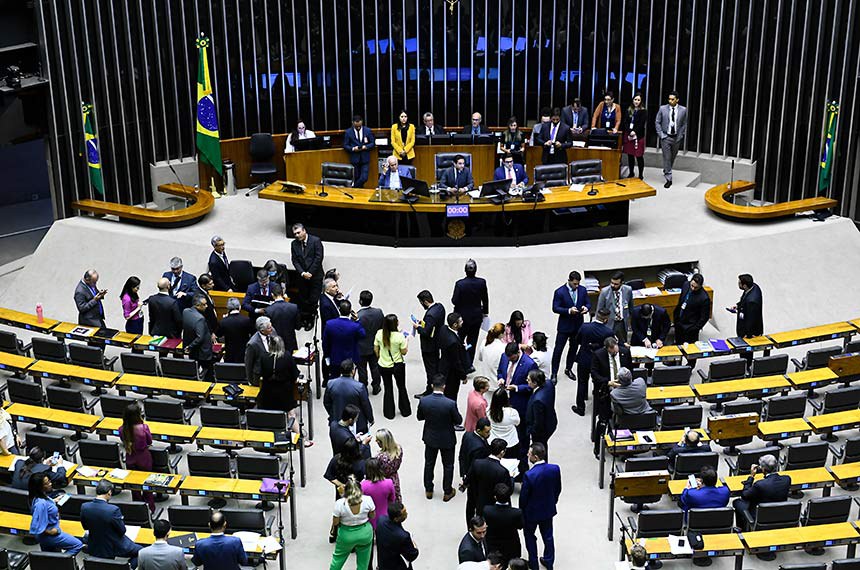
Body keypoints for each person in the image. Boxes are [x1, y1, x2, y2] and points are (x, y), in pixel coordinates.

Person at [417, 374, 462, 501]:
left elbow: (419, 417)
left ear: (432, 386)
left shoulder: (424, 401)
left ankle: (428, 489)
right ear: (444, 386)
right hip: (447, 439)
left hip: (430, 437)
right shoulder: (450, 403)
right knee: (448, 465)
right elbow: (458, 420)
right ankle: (447, 491)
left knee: (429, 464)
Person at [80, 480, 143, 567]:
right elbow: (122, 530)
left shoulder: (85, 507)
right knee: (141, 552)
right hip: (114, 544)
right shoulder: (113, 510)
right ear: (109, 492)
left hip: (95, 543)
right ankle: (128, 567)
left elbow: (85, 526)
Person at [520, 442, 561, 570]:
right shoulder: (555, 469)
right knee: (548, 536)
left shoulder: (529, 475)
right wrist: (552, 502)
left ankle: (533, 563)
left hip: (531, 513)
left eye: (529, 454)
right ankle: (549, 562)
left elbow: (524, 497)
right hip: (547, 510)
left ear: (535, 457)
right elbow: (558, 489)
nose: (528, 455)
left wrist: (522, 511)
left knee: (530, 536)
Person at [497, 342, 537, 460]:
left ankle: (522, 456)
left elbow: (532, 385)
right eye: (508, 358)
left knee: (522, 431)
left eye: (512, 358)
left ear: (518, 353)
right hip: (505, 399)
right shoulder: (504, 357)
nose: (509, 360)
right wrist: (501, 378)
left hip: (520, 402)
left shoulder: (530, 364)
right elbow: (500, 371)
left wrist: (517, 388)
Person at [570, 309, 614, 416]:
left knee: (582, 382)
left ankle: (580, 408)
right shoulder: (608, 332)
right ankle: (597, 408)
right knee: (598, 384)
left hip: (584, 358)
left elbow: (578, 340)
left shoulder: (585, 327)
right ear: (606, 319)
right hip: (599, 361)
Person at [733, 454, 791, 532]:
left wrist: (751, 477)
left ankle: (742, 530)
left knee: (737, 502)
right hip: (780, 514)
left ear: (763, 469)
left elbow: (744, 495)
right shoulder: (787, 479)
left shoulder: (760, 485)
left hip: (761, 516)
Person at [28, 472, 83, 554]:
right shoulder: (40, 503)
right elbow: (35, 526)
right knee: (77, 545)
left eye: (49, 481)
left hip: (47, 534)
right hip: (49, 535)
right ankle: (63, 560)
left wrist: (54, 501)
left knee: (51, 555)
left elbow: (46, 506)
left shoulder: (40, 496)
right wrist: (50, 531)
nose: (50, 484)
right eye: (46, 483)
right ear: (39, 487)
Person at [551, 270, 590, 383]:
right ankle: (554, 373)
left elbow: (588, 303)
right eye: (574, 284)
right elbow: (555, 308)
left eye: (578, 284)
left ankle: (568, 368)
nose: (576, 286)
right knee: (558, 350)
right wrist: (568, 311)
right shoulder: (559, 292)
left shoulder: (582, 290)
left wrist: (586, 308)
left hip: (577, 325)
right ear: (569, 281)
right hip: (564, 326)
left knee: (573, 349)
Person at [329, 476, 375, 569]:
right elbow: (372, 516)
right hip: (365, 533)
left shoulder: (340, 503)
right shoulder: (368, 500)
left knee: (338, 558)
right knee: (363, 563)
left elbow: (335, 522)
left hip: (346, 535)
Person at [256, 334, 302, 424]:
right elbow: (295, 374)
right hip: (284, 394)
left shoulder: (264, 357)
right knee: (291, 415)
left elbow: (260, 373)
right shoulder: (287, 356)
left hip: (267, 393)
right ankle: (297, 432)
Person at [453, 259, 489, 366]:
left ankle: (460, 361)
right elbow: (485, 299)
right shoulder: (481, 282)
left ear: (465, 270)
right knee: (472, 342)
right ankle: (468, 364)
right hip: (476, 318)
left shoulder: (460, 284)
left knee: (459, 340)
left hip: (462, 319)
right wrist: (485, 312)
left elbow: (454, 301)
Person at [467, 439, 513, 523]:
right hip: (493, 506)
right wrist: (511, 478)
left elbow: (469, 479)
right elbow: (508, 490)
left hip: (478, 502)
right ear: (502, 452)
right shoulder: (502, 471)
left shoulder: (476, 463)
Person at [374, 314, 411, 419]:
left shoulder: (379, 333)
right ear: (396, 323)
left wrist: (380, 358)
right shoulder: (400, 336)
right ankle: (405, 410)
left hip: (383, 365)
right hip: (397, 365)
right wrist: (407, 341)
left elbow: (376, 349)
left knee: (388, 388)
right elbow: (404, 352)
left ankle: (389, 413)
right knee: (401, 387)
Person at [326, 360, 374, 436]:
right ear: (352, 371)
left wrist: (334, 413)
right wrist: (371, 419)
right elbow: (366, 405)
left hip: (338, 420)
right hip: (357, 423)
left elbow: (327, 403)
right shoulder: (359, 387)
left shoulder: (330, 384)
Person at [290, 223, 325, 329]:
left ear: (304, 231)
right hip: (302, 277)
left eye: (298, 232)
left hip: (315, 276)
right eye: (295, 234)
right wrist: (302, 273)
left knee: (313, 299)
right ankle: (304, 318)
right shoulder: (294, 244)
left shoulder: (316, 241)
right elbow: (295, 260)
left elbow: (318, 258)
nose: (297, 235)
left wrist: (310, 272)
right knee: (303, 298)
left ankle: (311, 318)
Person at [121, 404, 155, 512]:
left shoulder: (121, 429)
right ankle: (150, 507)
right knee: (146, 483)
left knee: (134, 485)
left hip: (130, 457)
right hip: (144, 458)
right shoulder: (144, 428)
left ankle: (138, 508)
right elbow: (149, 441)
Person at [591, 338, 634, 418]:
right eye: (612, 352)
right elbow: (594, 374)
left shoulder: (625, 352)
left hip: (624, 387)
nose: (615, 353)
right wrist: (608, 382)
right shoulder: (598, 355)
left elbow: (630, 369)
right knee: (605, 415)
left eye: (616, 351)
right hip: (606, 389)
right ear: (606, 348)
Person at [413, 290, 446, 398]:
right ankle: (438, 386)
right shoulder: (440, 307)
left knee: (430, 370)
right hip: (437, 342)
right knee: (436, 367)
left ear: (425, 302)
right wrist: (424, 324)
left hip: (429, 346)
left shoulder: (430, 315)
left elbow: (426, 332)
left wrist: (418, 327)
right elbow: (433, 326)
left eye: (421, 302)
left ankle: (430, 390)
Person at [483, 483, 524, 567]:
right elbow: (520, 526)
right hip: (511, 546)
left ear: (495, 497)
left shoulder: (487, 510)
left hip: (493, 546)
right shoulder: (517, 513)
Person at [654, 90, 688, 188]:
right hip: (666, 137)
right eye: (669, 99)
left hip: (676, 137)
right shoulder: (662, 108)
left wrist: (681, 135)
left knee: (672, 157)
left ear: (677, 100)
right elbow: (657, 122)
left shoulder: (683, 110)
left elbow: (684, 123)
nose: (670, 101)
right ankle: (669, 178)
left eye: (672, 99)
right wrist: (661, 135)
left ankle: (666, 169)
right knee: (667, 157)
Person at [324, 300, 366, 378]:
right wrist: (357, 320)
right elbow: (363, 334)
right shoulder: (355, 326)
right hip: (350, 359)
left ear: (339, 309)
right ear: (350, 311)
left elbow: (325, 343)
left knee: (334, 378)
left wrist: (327, 356)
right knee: (349, 380)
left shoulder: (329, 324)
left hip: (335, 357)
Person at [376, 502, 419, 570]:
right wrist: (414, 545)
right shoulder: (403, 536)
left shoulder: (380, 520)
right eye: (404, 513)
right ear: (396, 519)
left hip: (383, 563)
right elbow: (411, 556)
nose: (407, 514)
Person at [356, 290, 384, 393]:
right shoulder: (378, 312)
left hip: (361, 347)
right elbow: (382, 327)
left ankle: (363, 388)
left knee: (362, 370)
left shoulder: (358, 316)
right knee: (375, 367)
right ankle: (376, 386)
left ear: (360, 301)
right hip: (375, 345)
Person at [438, 312, 469, 405]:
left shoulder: (444, 328)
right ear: (455, 325)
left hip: (443, 365)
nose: (462, 322)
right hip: (451, 373)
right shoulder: (453, 342)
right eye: (461, 321)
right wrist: (463, 376)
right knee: (451, 394)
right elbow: (456, 362)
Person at [183, 294, 214, 381]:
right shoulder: (200, 318)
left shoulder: (185, 312)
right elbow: (200, 337)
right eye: (204, 304)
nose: (206, 306)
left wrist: (189, 346)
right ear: (197, 305)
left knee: (193, 368)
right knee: (208, 370)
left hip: (192, 349)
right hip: (202, 351)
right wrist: (190, 346)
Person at [460, 417, 492, 501]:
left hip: (466, 470)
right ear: (478, 431)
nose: (489, 434)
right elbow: (475, 466)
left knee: (470, 500)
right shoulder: (479, 448)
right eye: (487, 432)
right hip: (475, 478)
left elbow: (462, 454)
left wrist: (463, 473)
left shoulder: (467, 434)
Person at [673, 273, 711, 343]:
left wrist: (695, 328)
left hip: (690, 327)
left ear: (700, 286)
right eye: (692, 286)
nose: (693, 288)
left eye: (696, 287)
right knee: (678, 344)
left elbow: (704, 317)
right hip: (679, 322)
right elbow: (681, 300)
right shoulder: (686, 285)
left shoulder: (704, 298)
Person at [596, 271, 633, 342]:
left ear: (622, 283)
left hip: (622, 323)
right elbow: (599, 310)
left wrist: (630, 322)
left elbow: (631, 307)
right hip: (609, 323)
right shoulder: (604, 292)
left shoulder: (628, 290)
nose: (612, 285)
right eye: (612, 283)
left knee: (623, 343)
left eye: (616, 284)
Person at [261, 283, 300, 352]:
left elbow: (267, 330)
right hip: (290, 342)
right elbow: (298, 327)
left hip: (275, 343)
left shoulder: (268, 310)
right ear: (283, 294)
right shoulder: (294, 307)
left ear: (272, 295)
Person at [360, 458, 395, 531]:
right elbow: (392, 499)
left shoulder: (363, 485)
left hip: (369, 518)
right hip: (385, 517)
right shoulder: (389, 483)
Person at [525, 370, 557, 451]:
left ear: (535, 383)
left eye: (529, 380)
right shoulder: (549, 383)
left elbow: (538, 423)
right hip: (550, 420)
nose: (527, 381)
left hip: (542, 431)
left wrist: (531, 431)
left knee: (540, 448)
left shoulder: (537, 401)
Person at [488, 387, 521, 459]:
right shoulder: (512, 412)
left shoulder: (488, 411)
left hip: (493, 442)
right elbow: (517, 423)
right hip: (511, 443)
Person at [343, 114, 376, 187]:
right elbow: (345, 145)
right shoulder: (348, 132)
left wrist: (366, 147)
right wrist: (353, 149)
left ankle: (353, 188)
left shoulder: (368, 131)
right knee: (356, 177)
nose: (358, 127)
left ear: (362, 122)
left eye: (359, 126)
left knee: (364, 178)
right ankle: (359, 191)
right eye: (356, 126)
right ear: (353, 123)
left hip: (365, 158)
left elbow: (373, 143)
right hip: (354, 159)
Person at [622, 92, 648, 179]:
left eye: (638, 100)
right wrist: (629, 131)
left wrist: (635, 132)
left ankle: (640, 175)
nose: (636, 101)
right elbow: (625, 122)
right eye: (635, 99)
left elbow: (641, 124)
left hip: (638, 136)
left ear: (641, 101)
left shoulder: (643, 111)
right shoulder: (629, 109)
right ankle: (631, 172)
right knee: (630, 155)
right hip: (629, 135)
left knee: (639, 156)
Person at [375, 428, 404, 502]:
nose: (376, 441)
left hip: (383, 481)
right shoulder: (399, 449)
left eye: (378, 440)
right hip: (394, 478)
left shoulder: (380, 457)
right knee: (396, 498)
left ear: (383, 442)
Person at [733, 274, 764, 338]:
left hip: (749, 334)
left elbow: (751, 320)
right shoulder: (753, 286)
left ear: (745, 286)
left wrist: (747, 335)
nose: (738, 284)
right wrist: (738, 306)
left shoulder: (752, 302)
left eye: (739, 283)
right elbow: (744, 299)